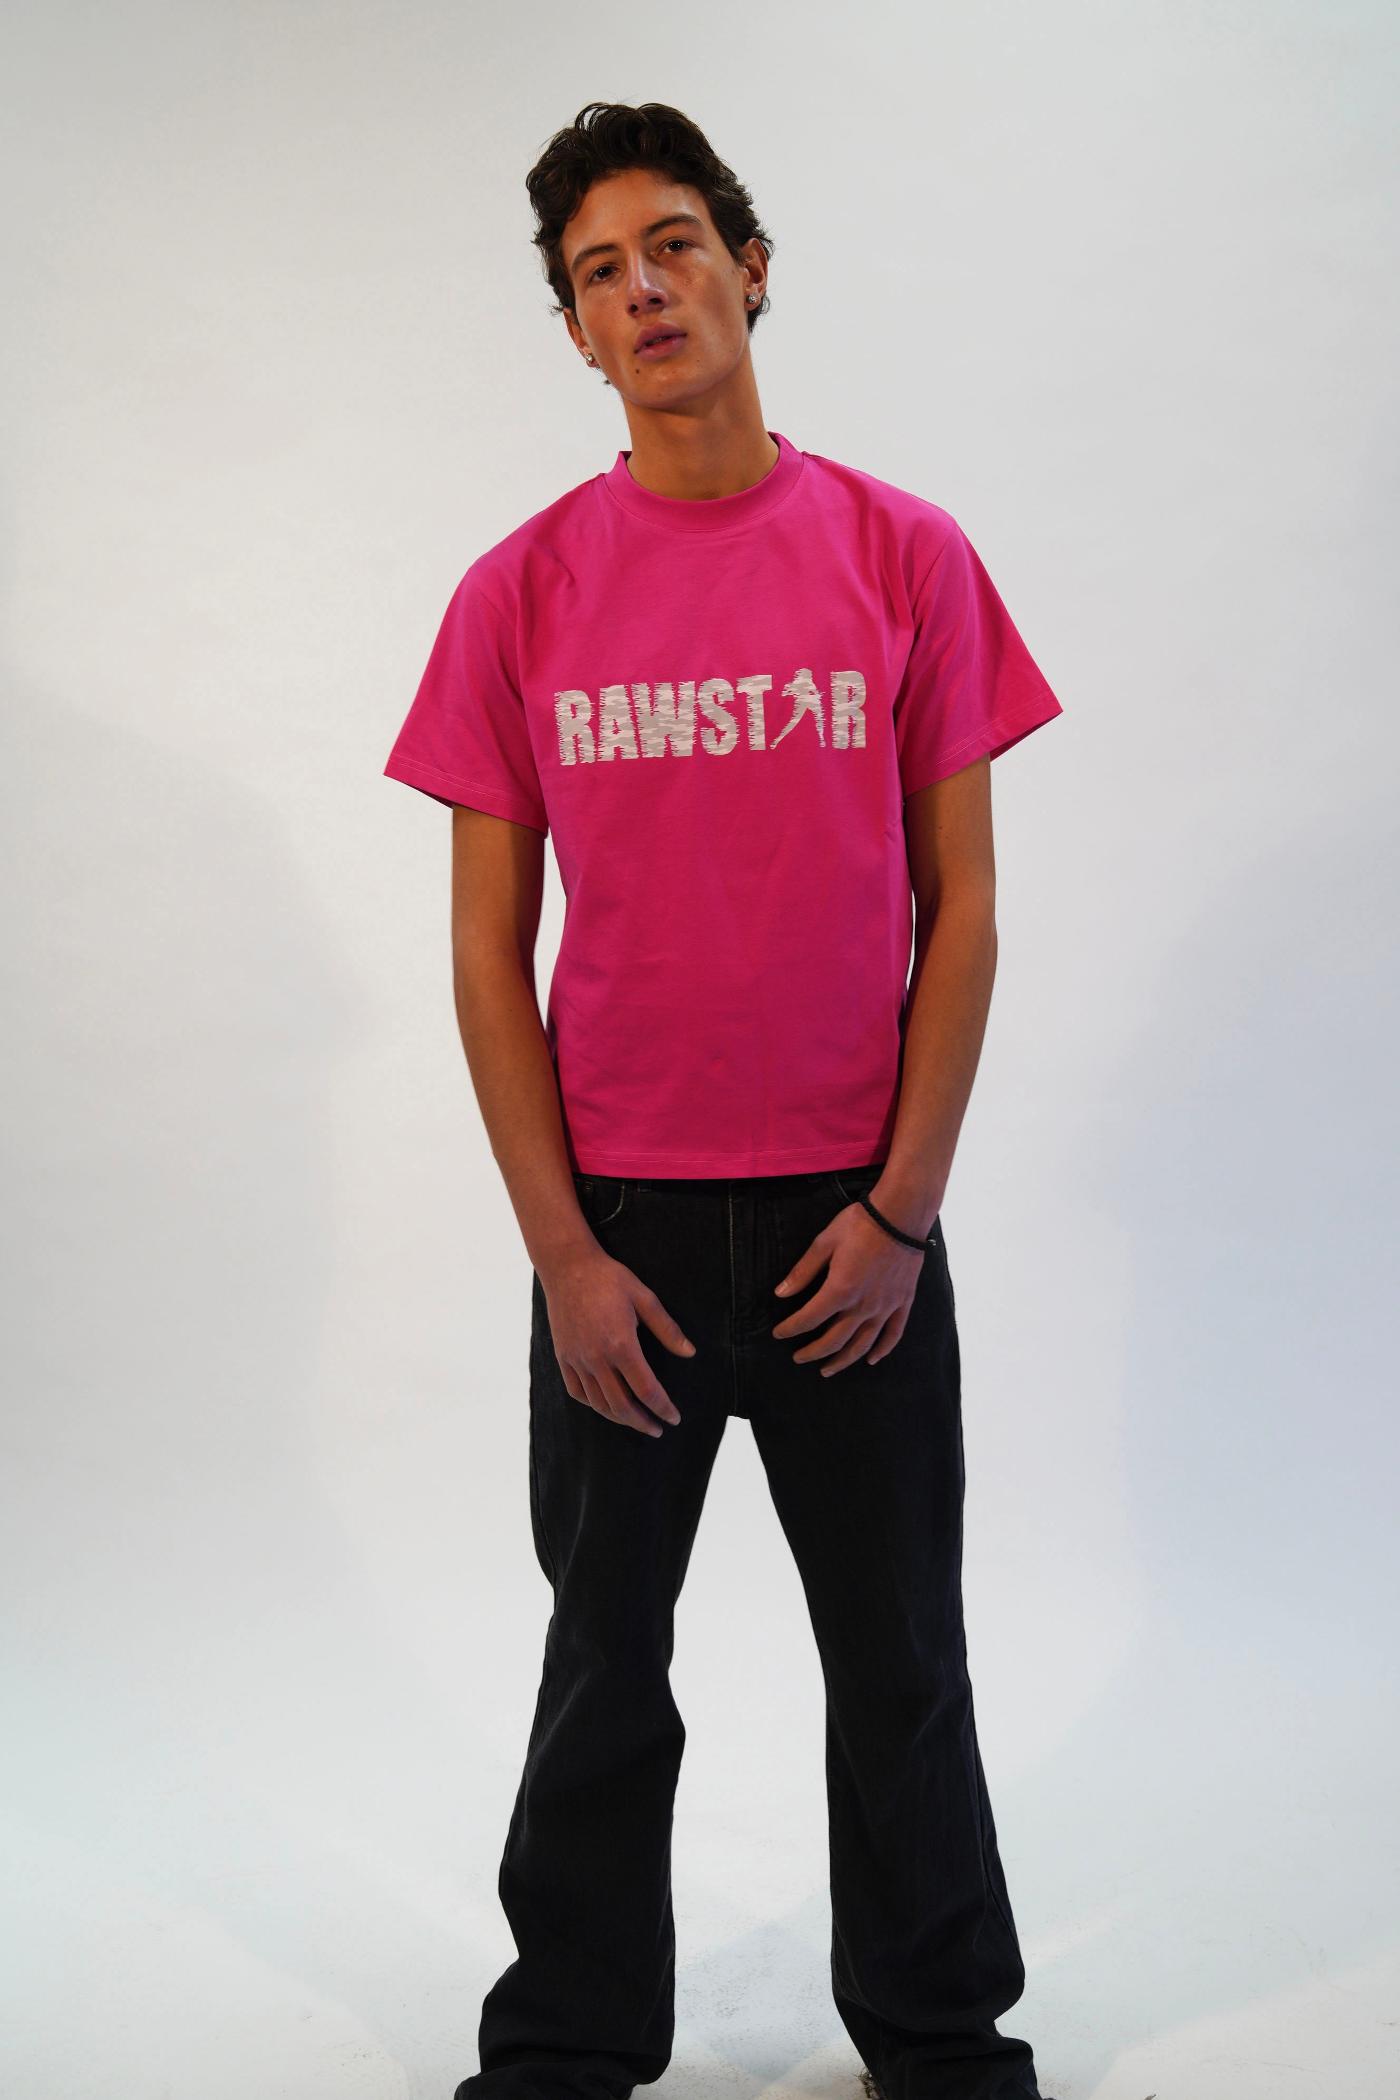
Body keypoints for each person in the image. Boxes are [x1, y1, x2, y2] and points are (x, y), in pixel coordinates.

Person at [384, 99, 1064, 2100]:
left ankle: (940, 2037)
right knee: (604, 1667)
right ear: (576, 334)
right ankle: (567, 2043)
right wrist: (564, 1260)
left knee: (902, 1660)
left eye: (674, 244)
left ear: (750, 269)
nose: (645, 289)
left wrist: (903, 1214)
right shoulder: (518, 594)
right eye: (598, 273)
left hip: (858, 1223)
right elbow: (483, 959)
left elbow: (966, 909)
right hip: (626, 1241)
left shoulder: (902, 555)